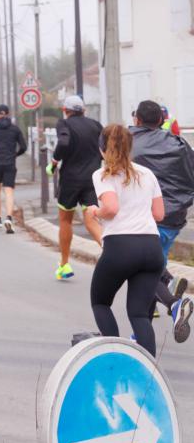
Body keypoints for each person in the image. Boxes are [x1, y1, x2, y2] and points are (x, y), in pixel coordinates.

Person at [88, 125, 165, 356]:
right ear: (130, 146)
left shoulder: (102, 174)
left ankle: (114, 356)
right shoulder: (147, 173)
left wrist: (95, 211)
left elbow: (110, 208)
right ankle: (149, 370)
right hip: (151, 247)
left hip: (121, 247)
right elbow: (159, 214)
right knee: (139, 314)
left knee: (101, 302)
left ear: (102, 148)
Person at [130, 100, 194, 342]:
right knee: (149, 273)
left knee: (143, 274)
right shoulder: (179, 143)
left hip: (145, 218)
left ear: (137, 119)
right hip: (174, 220)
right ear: (161, 121)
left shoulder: (129, 142)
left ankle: (174, 304)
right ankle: (140, 336)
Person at [47, 94, 103, 279]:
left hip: (70, 179)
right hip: (92, 179)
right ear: (84, 110)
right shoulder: (96, 125)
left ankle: (64, 265)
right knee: (91, 219)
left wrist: (54, 162)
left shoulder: (64, 124)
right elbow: (106, 147)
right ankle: (111, 251)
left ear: (65, 111)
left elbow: (63, 142)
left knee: (65, 220)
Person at [0, 104, 27, 233]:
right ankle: (8, 217)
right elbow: (23, 147)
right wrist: (15, 155)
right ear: (8, 114)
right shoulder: (15, 129)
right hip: (10, 163)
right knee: (9, 191)